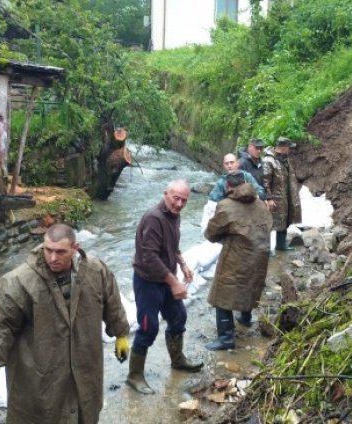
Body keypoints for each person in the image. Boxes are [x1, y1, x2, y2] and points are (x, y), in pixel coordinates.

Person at [0, 223, 130, 423]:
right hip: (40, 369)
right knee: (43, 414)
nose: (53, 258)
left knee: (85, 409)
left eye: (60, 252)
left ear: (75, 248)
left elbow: (112, 302)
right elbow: (0, 325)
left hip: (85, 361)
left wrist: (120, 334)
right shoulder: (19, 281)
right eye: (48, 250)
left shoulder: (95, 271)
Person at [128, 179, 203, 394]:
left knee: (178, 317)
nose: (179, 204)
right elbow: (148, 256)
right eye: (176, 198)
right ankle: (134, 375)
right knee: (147, 327)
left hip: (167, 278)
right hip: (148, 281)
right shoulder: (154, 218)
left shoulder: (174, 216)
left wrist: (183, 264)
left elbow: (172, 246)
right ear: (165, 194)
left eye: (184, 200)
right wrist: (175, 282)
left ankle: (178, 360)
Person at [203, 172, 272, 350]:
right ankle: (246, 318)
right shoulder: (261, 204)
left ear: (228, 186)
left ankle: (226, 338)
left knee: (223, 292)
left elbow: (211, 233)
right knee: (250, 284)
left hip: (237, 256)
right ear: (246, 183)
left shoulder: (225, 205)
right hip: (261, 255)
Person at [263, 136, 302, 251]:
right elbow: (265, 181)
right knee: (269, 223)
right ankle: (266, 249)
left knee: (284, 221)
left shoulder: (286, 159)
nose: (290, 150)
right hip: (275, 198)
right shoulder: (268, 161)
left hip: (286, 196)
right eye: (289, 147)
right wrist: (269, 198)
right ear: (284, 148)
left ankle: (281, 245)